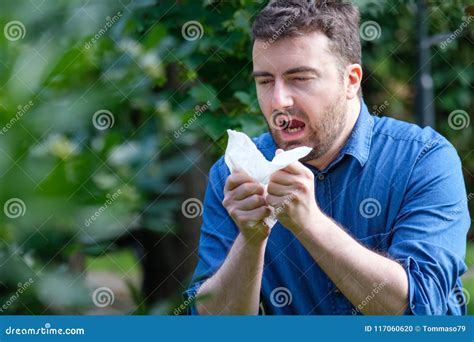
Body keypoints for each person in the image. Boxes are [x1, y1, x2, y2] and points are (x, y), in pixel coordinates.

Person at [184, 0, 470, 315]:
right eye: (265, 81)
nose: (279, 100)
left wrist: (310, 224)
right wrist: (250, 240)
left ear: (351, 81)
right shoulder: (233, 176)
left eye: (300, 78)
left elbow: (424, 312)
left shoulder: (423, 160)